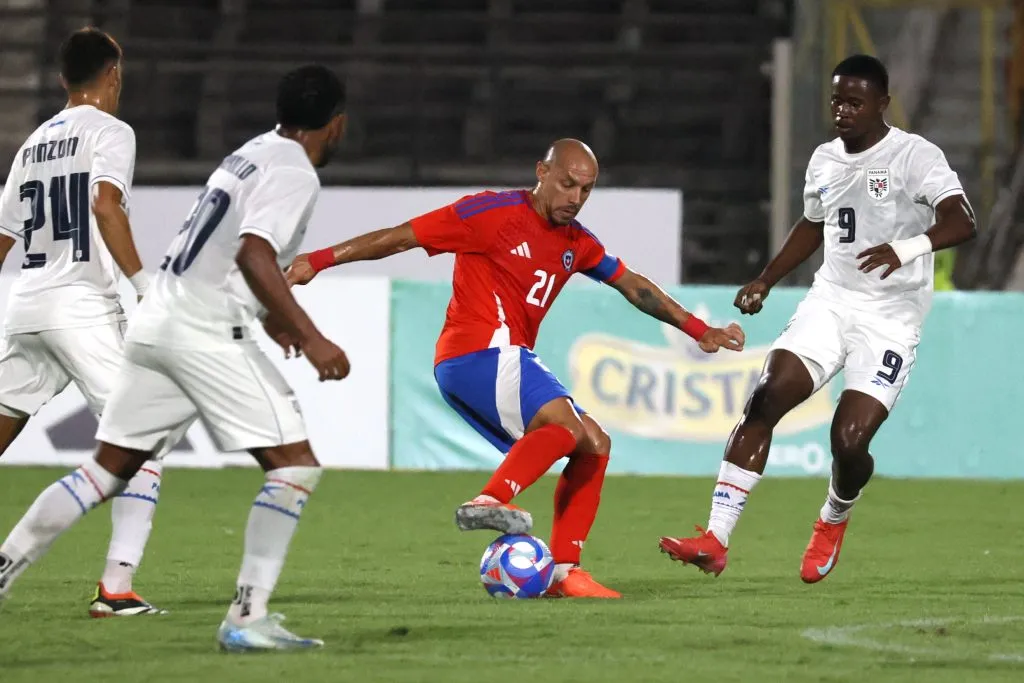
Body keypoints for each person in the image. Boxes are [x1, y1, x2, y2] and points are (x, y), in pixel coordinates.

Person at [287, 139, 746, 598]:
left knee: (594, 444)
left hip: (499, 359)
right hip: (478, 352)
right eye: (567, 184)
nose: (575, 197)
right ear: (541, 171)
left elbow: (633, 285)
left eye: (586, 190)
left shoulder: (576, 242)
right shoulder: (488, 213)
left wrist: (697, 329)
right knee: (566, 423)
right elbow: (400, 236)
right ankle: (490, 499)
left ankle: (567, 572)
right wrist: (319, 260)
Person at [0, 64, 350, 652]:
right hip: (203, 329)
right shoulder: (295, 172)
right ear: (336, 126)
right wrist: (310, 335)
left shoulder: (251, 152)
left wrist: (274, 319)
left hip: (156, 320)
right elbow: (254, 254)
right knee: (294, 465)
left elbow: (217, 249)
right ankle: (246, 617)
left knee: (105, 470)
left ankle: (7, 568)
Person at [659, 55, 976, 583]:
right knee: (765, 397)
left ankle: (833, 516)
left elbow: (963, 220)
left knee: (848, 442)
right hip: (831, 301)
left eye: (855, 102)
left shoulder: (914, 156)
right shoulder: (825, 160)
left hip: (891, 317)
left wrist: (907, 248)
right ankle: (714, 539)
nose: (842, 111)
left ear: (882, 105)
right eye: (836, 100)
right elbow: (812, 226)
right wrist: (767, 278)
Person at [0, 27, 171, 616]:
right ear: (113, 74)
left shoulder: (32, 143)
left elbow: (2, 237)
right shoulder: (111, 131)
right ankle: (115, 589)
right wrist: (145, 286)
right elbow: (105, 204)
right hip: (80, 306)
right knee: (142, 444)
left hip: (27, 304)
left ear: (60, 80)